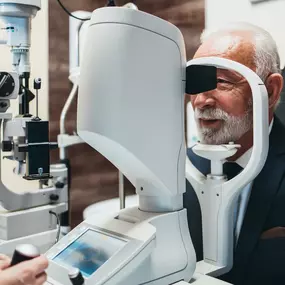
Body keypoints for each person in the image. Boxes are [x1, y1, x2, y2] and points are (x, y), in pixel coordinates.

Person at [184, 22, 285, 285]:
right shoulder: (183, 168)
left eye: (221, 81)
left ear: (271, 91)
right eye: (196, 84)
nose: (201, 101)